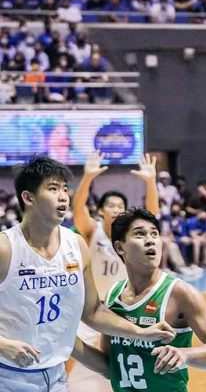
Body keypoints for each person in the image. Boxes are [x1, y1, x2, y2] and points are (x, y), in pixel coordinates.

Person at [0, 157, 174, 391]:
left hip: (56, 374)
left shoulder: (76, 245)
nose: (63, 196)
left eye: (65, 189)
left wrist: (140, 332)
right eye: (53, 189)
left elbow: (92, 312)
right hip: (7, 375)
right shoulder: (5, 248)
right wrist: (1, 345)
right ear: (28, 197)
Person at [81, 208, 206, 391]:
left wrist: (186, 355)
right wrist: (68, 342)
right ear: (120, 247)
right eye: (140, 234)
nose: (150, 240)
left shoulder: (180, 293)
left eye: (154, 234)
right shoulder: (114, 295)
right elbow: (109, 365)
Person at [70, 150, 160, 387]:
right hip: (92, 308)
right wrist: (88, 177)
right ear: (100, 211)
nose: (115, 208)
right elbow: (78, 210)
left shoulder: (131, 238)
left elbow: (153, 217)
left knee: (118, 368)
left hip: (122, 310)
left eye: (120, 205)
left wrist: (150, 182)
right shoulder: (93, 231)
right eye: (110, 205)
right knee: (72, 358)